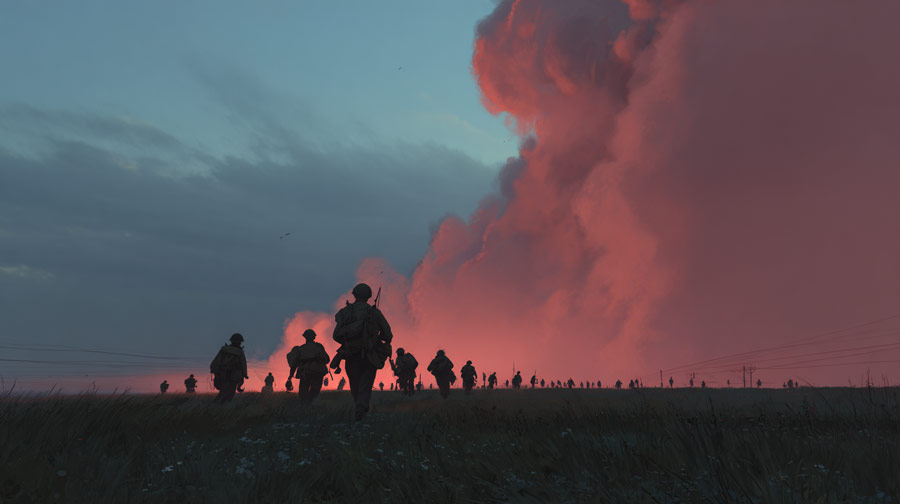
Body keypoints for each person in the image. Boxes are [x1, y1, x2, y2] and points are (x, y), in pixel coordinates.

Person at [332, 283, 393, 421]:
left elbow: (336, 335)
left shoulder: (345, 313)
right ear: (369, 296)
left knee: (355, 385)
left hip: (350, 355)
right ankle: (361, 408)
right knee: (365, 385)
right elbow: (388, 335)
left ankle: (359, 407)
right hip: (369, 355)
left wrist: (350, 341)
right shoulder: (374, 313)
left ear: (354, 295)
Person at [287, 329, 331, 404]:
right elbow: (327, 359)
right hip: (317, 372)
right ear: (314, 337)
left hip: (305, 373)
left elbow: (294, 364)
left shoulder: (300, 349)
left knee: (303, 394)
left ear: (305, 337)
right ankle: (309, 406)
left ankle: (305, 408)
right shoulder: (319, 347)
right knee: (314, 393)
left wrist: (290, 377)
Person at [210, 333, 249, 403]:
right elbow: (243, 364)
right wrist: (245, 375)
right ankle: (221, 406)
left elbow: (215, 361)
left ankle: (216, 406)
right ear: (240, 342)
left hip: (222, 374)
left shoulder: (224, 349)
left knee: (223, 391)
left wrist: (214, 370)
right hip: (233, 376)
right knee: (230, 393)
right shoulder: (240, 352)